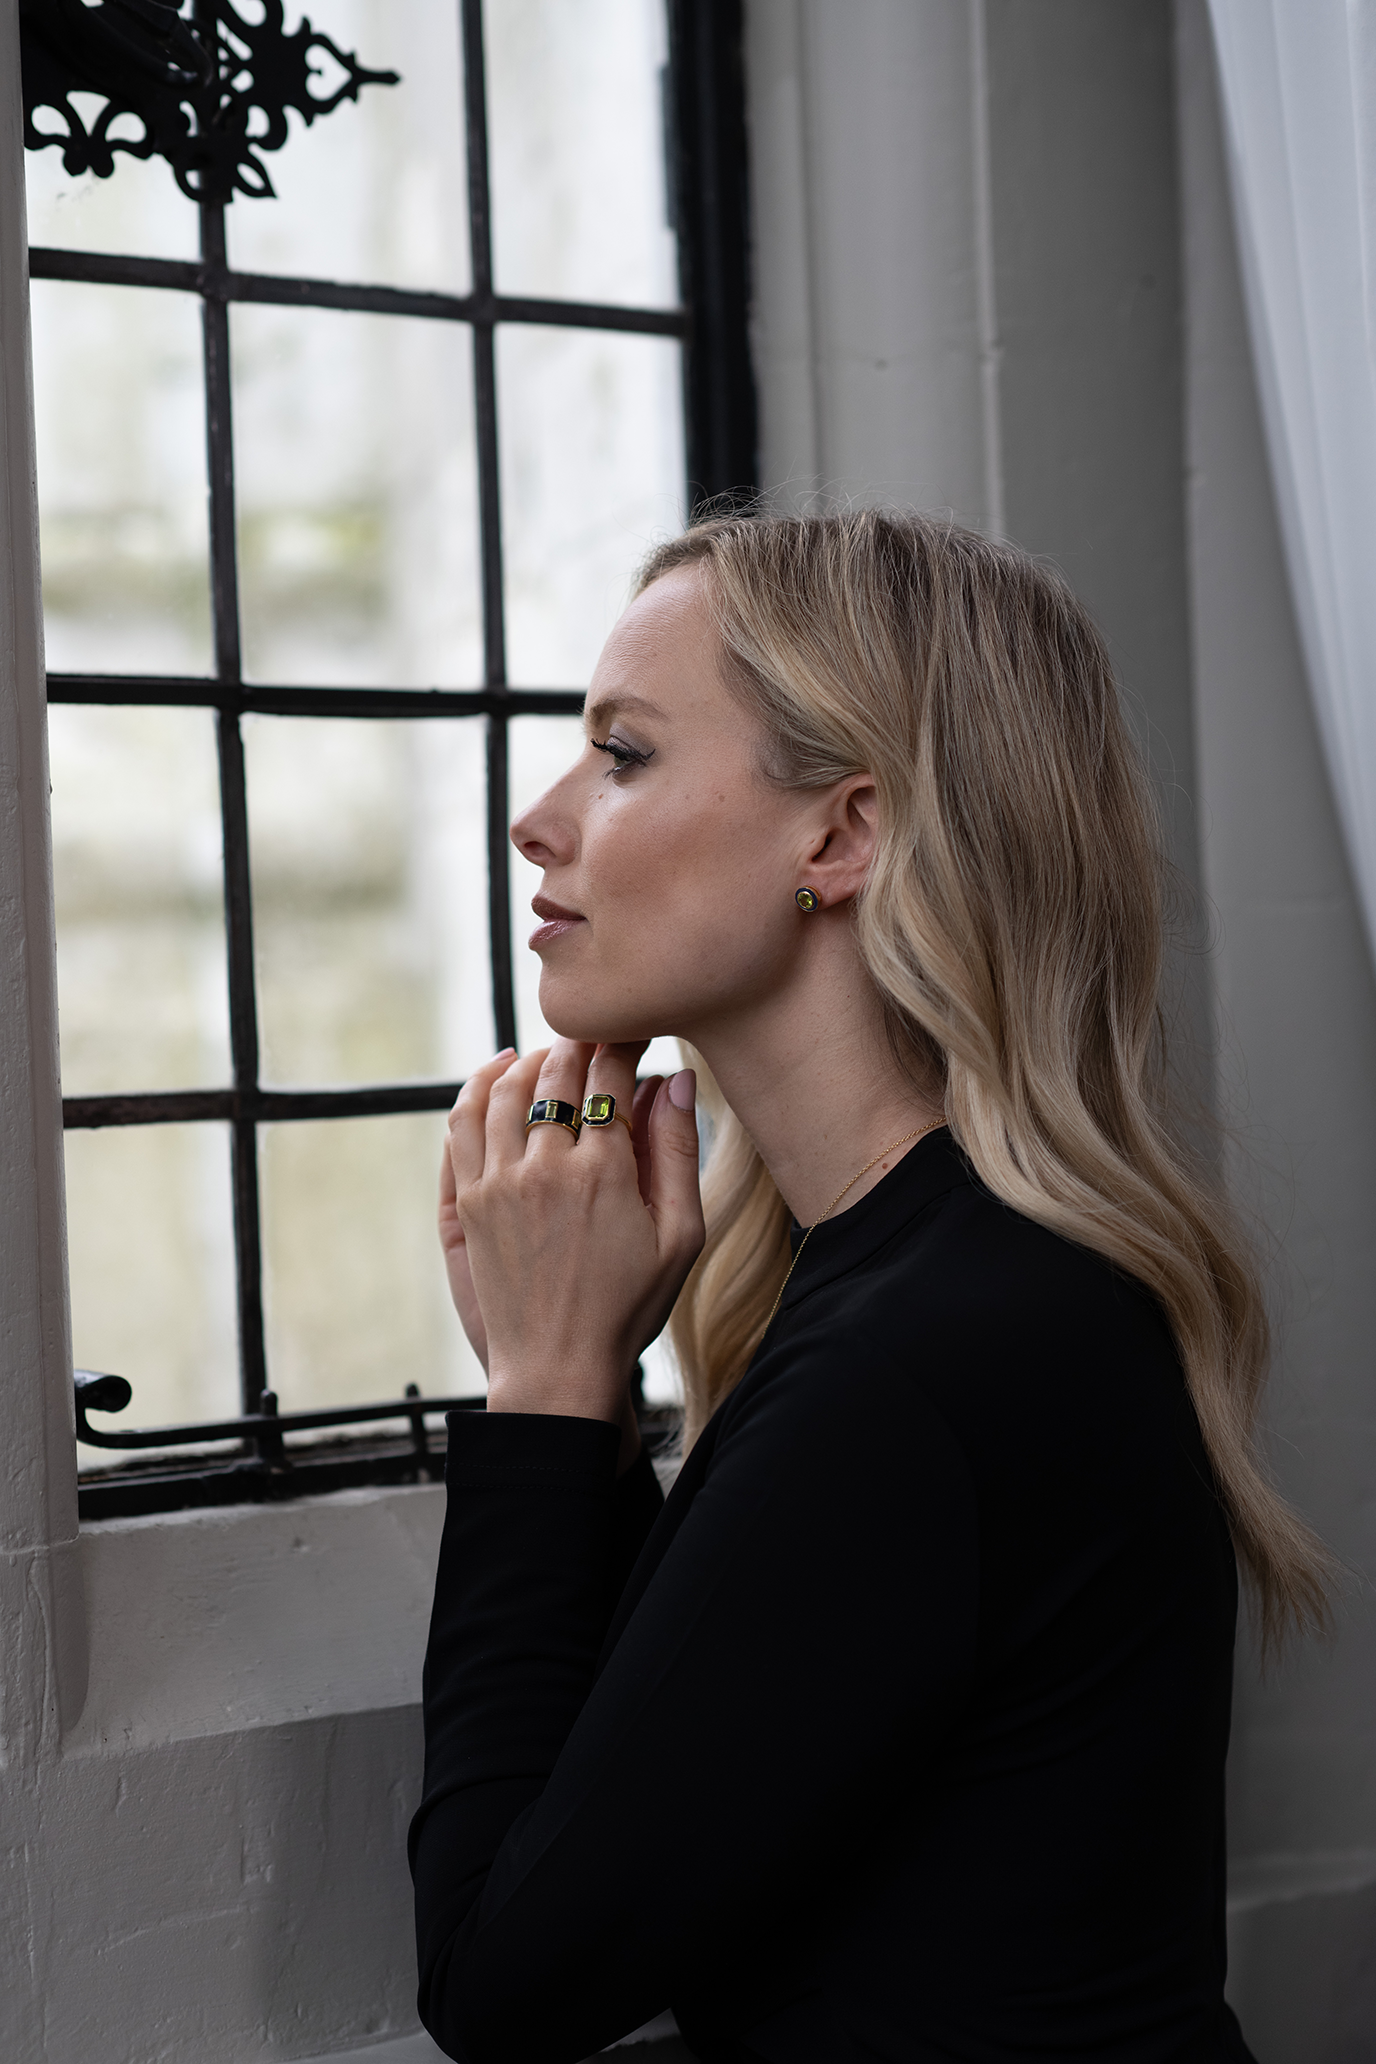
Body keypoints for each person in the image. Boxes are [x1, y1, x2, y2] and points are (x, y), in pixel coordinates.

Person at [409, 511, 1329, 2063]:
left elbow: (506, 1982)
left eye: (622, 755)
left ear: (839, 837)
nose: (540, 822)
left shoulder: (918, 1361)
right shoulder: (968, 1292)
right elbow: (691, 1768)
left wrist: (551, 1394)